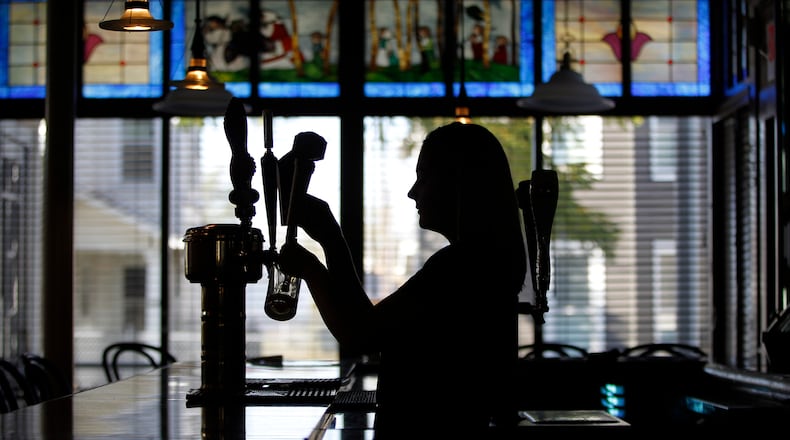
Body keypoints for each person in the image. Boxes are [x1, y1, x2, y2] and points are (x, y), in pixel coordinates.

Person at [279, 122, 527, 436]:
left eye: (423, 176)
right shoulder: (484, 262)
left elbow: (362, 334)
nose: (412, 192)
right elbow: (368, 329)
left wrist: (326, 245)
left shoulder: (460, 267)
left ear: (457, 181)